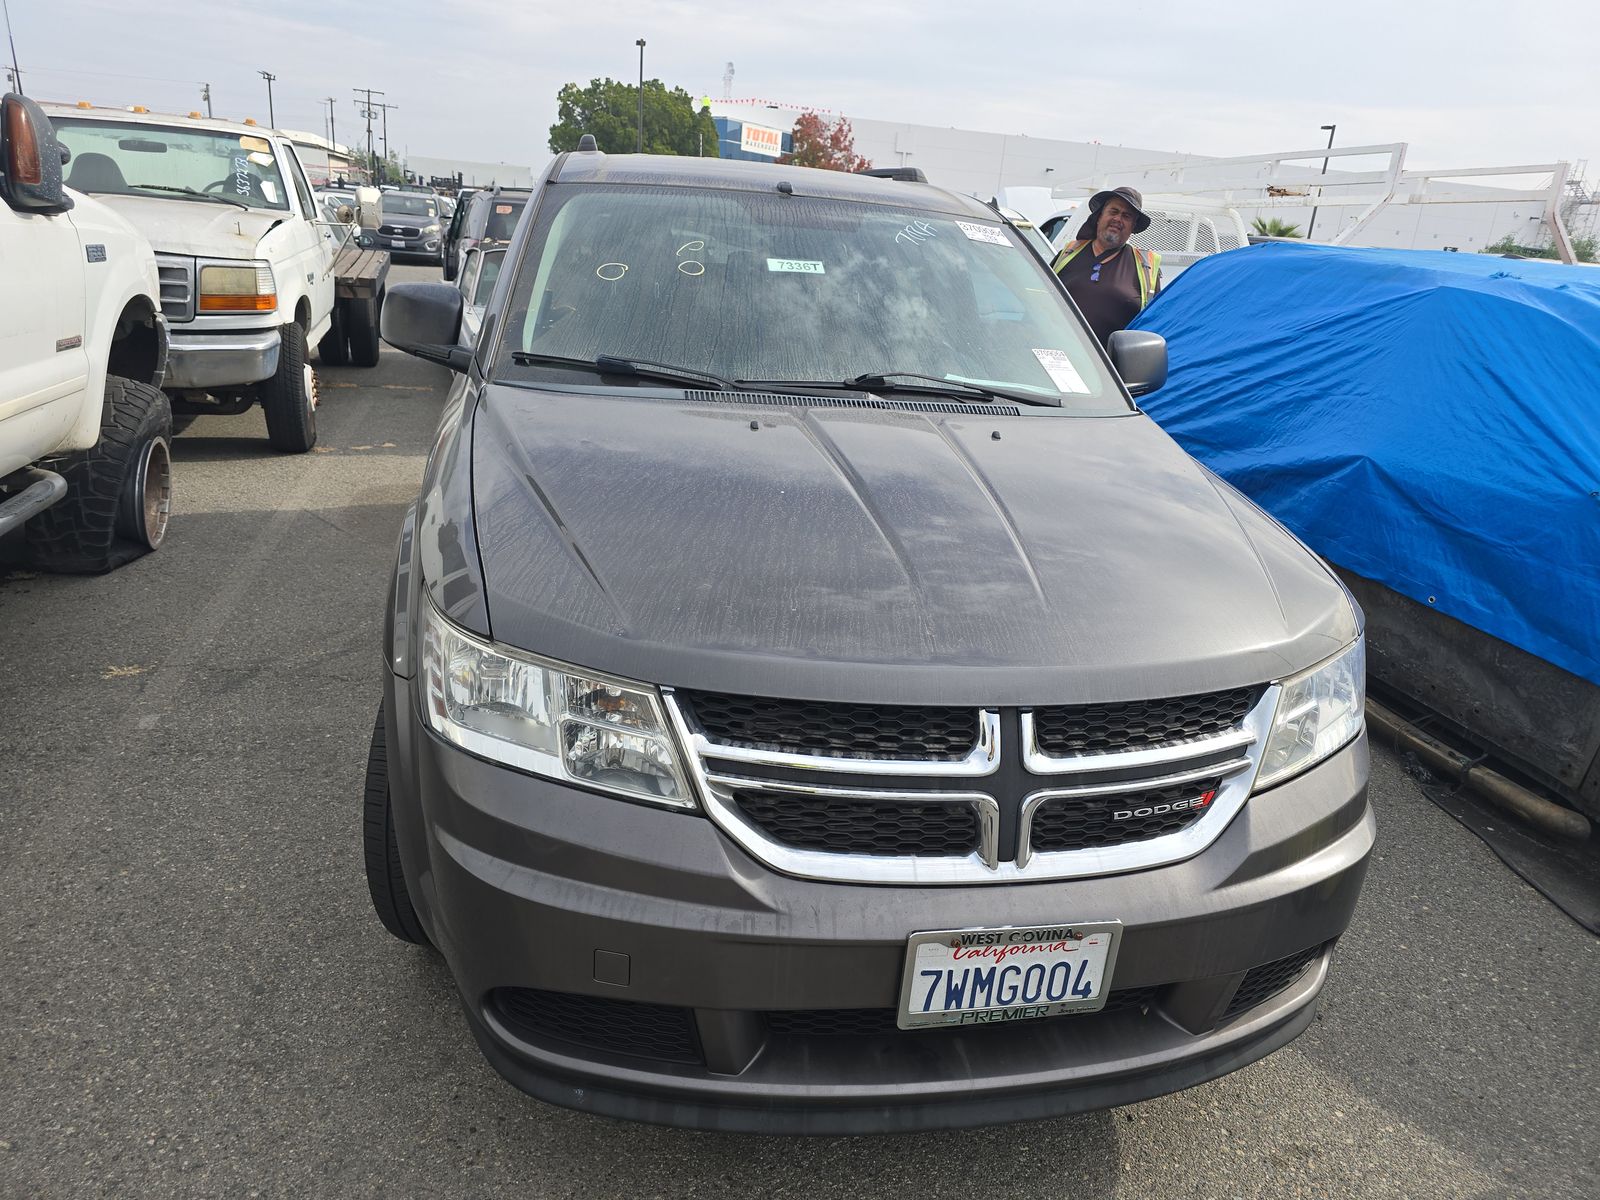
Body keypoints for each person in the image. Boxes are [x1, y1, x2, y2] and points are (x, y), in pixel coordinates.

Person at [1051, 186, 1162, 347]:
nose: (1118, 219)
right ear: (1099, 216)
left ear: (1133, 226)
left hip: (1107, 369)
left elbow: (1153, 326)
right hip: (1057, 357)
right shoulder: (1068, 253)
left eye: (1126, 216)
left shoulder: (1146, 267)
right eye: (1113, 211)